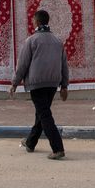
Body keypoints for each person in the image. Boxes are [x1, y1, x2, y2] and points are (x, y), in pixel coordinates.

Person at [10, 9, 70, 160]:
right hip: (52, 83)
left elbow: (22, 64)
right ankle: (30, 143)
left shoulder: (31, 41)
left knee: (44, 114)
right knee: (41, 113)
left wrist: (15, 83)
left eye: (33, 20)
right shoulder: (57, 41)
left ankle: (58, 148)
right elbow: (64, 65)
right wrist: (64, 85)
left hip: (36, 83)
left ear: (36, 22)